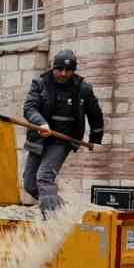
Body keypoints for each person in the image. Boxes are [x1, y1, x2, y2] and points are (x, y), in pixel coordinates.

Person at [22, 48, 104, 212]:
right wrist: (41, 124)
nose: (64, 73)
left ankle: (52, 219)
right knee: (30, 184)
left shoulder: (83, 89)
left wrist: (96, 138)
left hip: (62, 140)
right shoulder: (40, 84)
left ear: (74, 70)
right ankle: (62, 211)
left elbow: (95, 114)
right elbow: (29, 108)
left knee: (44, 177)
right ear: (53, 67)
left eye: (68, 70)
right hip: (39, 137)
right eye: (60, 69)